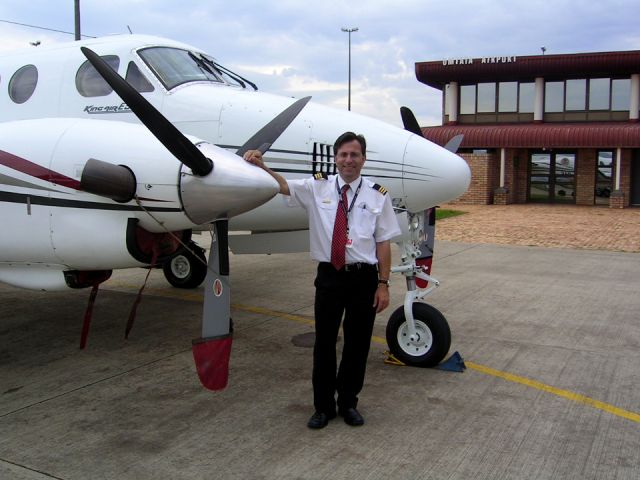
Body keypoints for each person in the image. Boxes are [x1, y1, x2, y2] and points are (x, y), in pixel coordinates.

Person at [243, 132, 401, 428]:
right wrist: (261, 166)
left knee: (358, 344)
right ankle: (323, 407)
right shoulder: (318, 187)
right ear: (335, 158)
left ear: (363, 159)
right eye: (343, 154)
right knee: (324, 344)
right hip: (330, 276)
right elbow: (283, 185)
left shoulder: (378, 195)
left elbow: (383, 243)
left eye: (354, 155)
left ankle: (349, 404)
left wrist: (384, 284)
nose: (348, 160)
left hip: (363, 279)